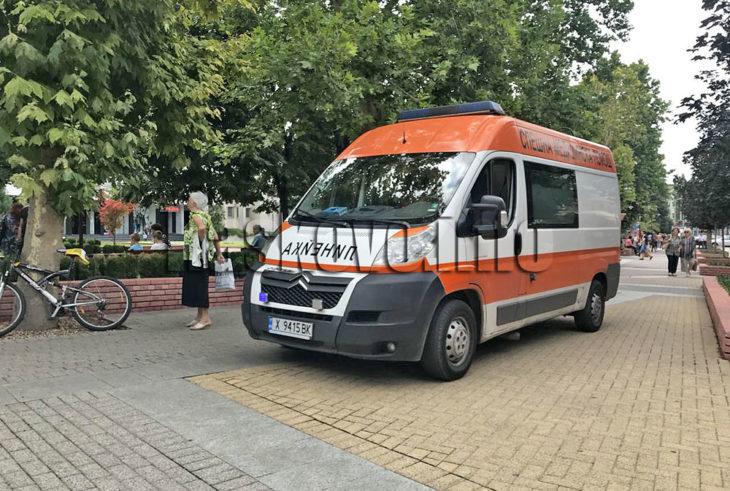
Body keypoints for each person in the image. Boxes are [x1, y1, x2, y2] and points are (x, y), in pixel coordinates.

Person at [182, 191, 224, 330]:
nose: (187, 202)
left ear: (194, 202)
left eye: (189, 200)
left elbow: (202, 228)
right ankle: (199, 316)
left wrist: (200, 242)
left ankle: (205, 318)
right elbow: (215, 235)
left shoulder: (195, 215)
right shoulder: (206, 216)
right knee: (199, 285)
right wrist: (219, 253)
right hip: (203, 258)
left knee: (199, 287)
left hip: (196, 258)